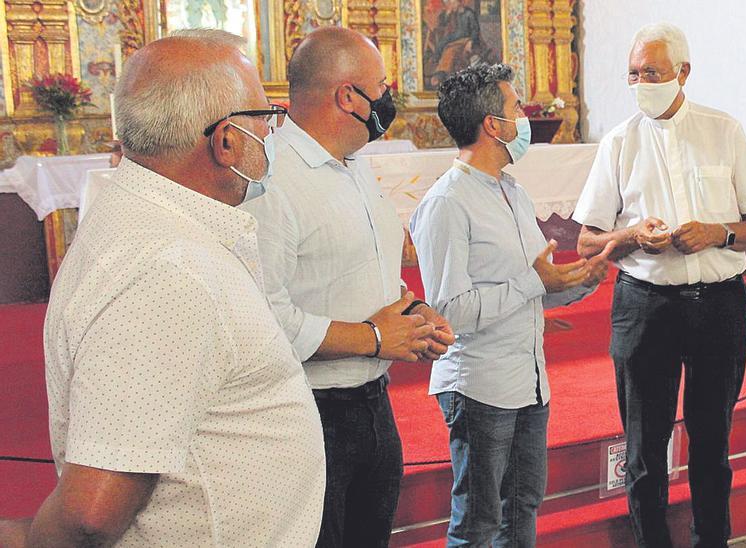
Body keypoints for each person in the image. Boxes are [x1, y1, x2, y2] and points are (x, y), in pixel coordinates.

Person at [0, 30, 326, 546]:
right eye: (267, 118)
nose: (274, 132)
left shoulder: (162, 227)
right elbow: (90, 514)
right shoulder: (166, 269)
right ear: (226, 141)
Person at [240, 26, 455, 548]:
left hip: (373, 401)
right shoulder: (271, 181)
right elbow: (262, 323)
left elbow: (366, 275)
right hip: (310, 412)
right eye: (381, 87)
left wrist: (413, 312)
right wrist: (378, 339)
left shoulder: (351, 165)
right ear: (348, 97)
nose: (388, 99)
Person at [573, 22, 746, 548]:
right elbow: (588, 243)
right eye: (634, 75)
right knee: (643, 447)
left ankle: (713, 539)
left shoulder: (723, 129)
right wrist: (634, 235)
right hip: (646, 307)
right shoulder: (619, 141)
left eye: (653, 73)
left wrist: (720, 232)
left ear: (683, 73)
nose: (642, 83)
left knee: (712, 441)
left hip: (718, 304)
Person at [411, 62, 611, 547]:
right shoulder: (447, 203)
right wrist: (532, 282)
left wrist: (586, 278)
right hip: (479, 384)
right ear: (492, 126)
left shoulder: (512, 192)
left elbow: (536, 282)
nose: (523, 117)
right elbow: (449, 314)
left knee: (522, 507)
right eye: (515, 108)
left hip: (528, 380)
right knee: (478, 521)